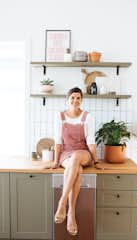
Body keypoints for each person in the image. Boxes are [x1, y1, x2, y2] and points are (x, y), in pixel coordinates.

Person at [45, 87, 98, 236]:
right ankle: (71, 214)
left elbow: (91, 141)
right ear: (67, 100)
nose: (75, 100)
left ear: (82, 100)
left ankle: (62, 202)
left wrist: (96, 161)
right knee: (77, 170)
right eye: (72, 98)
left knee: (76, 158)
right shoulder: (60, 116)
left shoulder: (88, 116)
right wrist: (56, 161)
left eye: (78, 98)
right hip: (66, 154)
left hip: (83, 152)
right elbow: (58, 141)